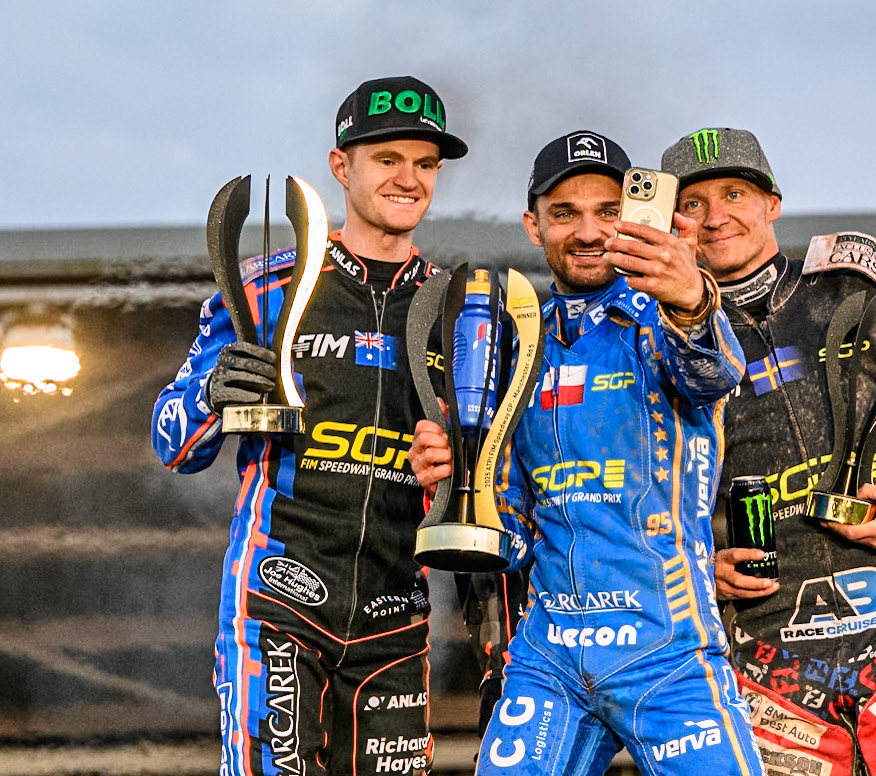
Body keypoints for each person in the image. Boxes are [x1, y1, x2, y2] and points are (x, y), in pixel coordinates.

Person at [660, 128, 876, 776]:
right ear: (668, 221)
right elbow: (629, 496)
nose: (715, 217)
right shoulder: (654, 343)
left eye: (734, 193)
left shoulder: (867, 292)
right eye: (692, 204)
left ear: (771, 202)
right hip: (767, 662)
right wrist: (694, 570)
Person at [408, 130, 764, 775]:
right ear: (532, 225)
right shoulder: (513, 340)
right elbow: (511, 534)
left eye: (607, 212)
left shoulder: (664, 315)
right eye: (565, 213)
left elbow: (713, 374)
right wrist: (455, 482)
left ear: (632, 217)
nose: (588, 231)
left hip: (669, 650)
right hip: (551, 658)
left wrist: (691, 299)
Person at [152, 76, 469, 776]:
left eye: (424, 163)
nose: (408, 178)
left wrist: (459, 467)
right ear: (340, 166)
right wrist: (212, 393)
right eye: (387, 158)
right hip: (279, 605)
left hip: (398, 618)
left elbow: (497, 478)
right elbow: (171, 443)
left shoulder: (462, 308)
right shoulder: (267, 286)